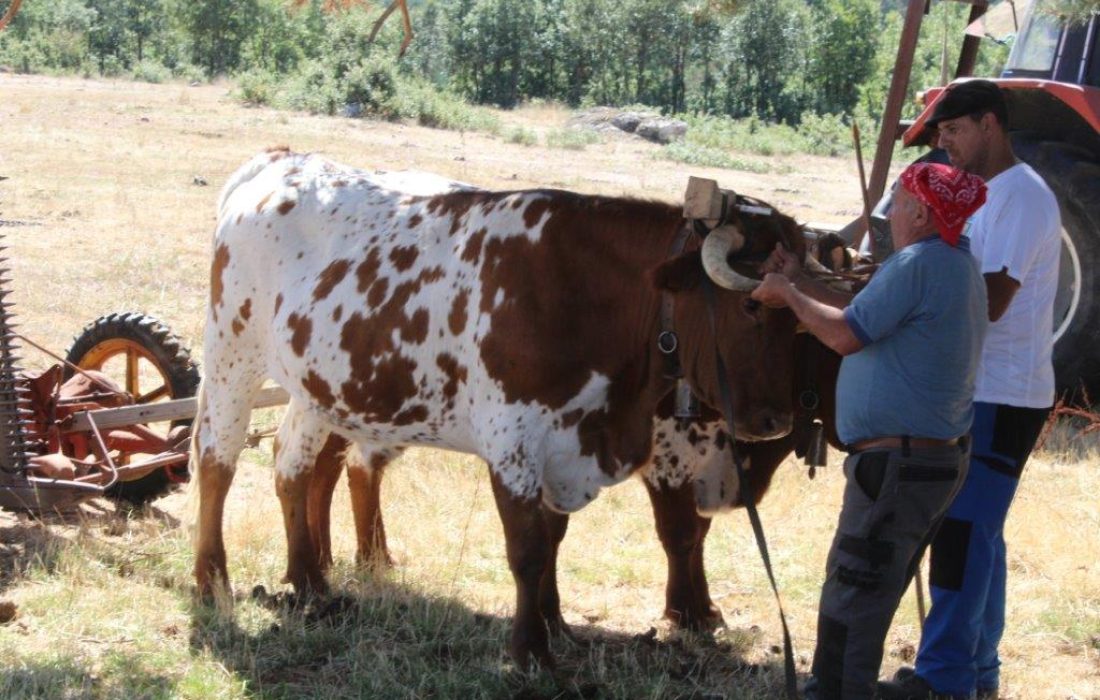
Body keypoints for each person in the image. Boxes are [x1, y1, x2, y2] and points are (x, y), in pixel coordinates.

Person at [751, 162, 989, 700]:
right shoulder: (951, 262)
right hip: (924, 463)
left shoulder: (918, 264)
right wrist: (800, 280)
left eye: (899, 202)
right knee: (866, 597)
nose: (891, 215)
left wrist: (788, 296)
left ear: (922, 212)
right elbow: (863, 313)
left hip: (898, 468)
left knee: (853, 599)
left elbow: (843, 335)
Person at [877, 80, 1062, 700]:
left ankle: (944, 680)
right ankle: (976, 670)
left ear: (989, 123)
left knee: (961, 531)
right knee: (978, 530)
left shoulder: (1020, 199)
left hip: (1003, 395)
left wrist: (907, 305)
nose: (946, 146)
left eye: (953, 132)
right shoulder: (989, 195)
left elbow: (991, 301)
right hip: (982, 388)